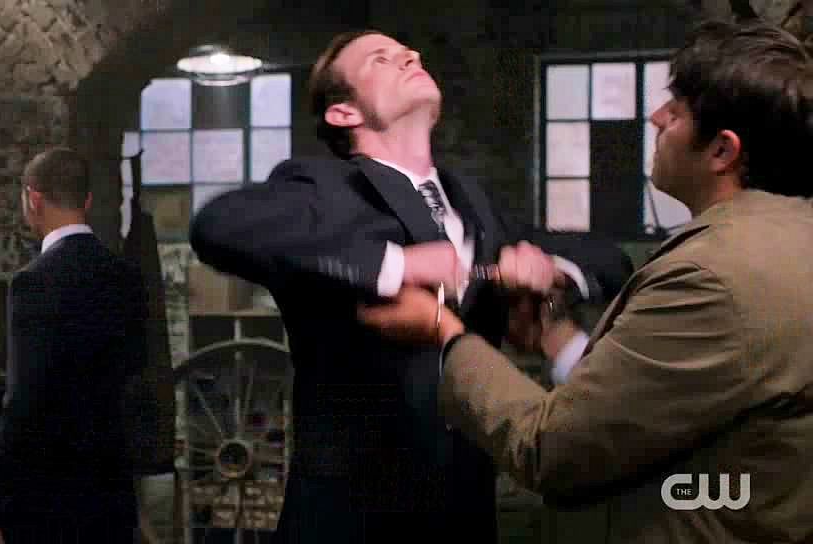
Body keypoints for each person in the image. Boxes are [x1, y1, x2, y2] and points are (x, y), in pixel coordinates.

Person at [358, 19, 813, 543]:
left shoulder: (714, 276)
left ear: (722, 152)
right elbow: (666, 403)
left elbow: (551, 450)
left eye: (677, 111)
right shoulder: (787, 237)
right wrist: (557, 338)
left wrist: (446, 335)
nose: (655, 116)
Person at [190, 30, 632, 542]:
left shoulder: (476, 204)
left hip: (464, 517)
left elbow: (611, 261)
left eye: (409, 53)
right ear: (344, 113)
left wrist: (549, 268)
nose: (410, 57)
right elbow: (218, 226)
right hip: (348, 523)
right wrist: (395, 264)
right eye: (382, 59)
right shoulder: (320, 188)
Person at [0, 147, 149, 543]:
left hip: (49, 500)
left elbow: (22, 400)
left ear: (33, 200)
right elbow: (136, 373)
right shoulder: (125, 277)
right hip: (112, 493)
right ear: (86, 201)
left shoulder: (33, 282)